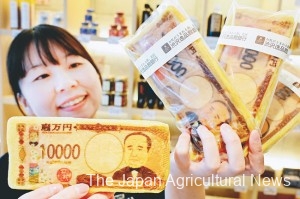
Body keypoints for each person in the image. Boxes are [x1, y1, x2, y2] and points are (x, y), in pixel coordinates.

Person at [0, 24, 264, 199]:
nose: (67, 83)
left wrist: (187, 175)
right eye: (42, 75)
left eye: (74, 63)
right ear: (23, 101)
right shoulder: (6, 174)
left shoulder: (145, 156)